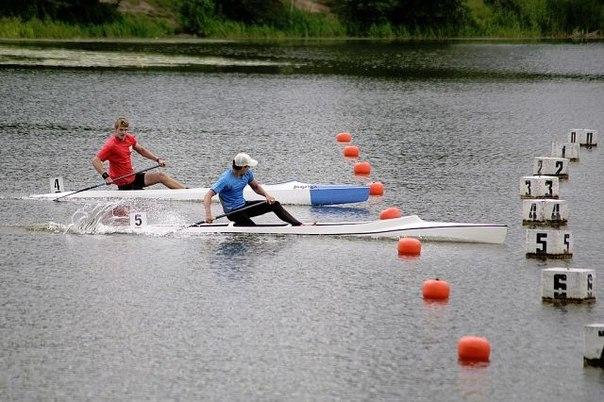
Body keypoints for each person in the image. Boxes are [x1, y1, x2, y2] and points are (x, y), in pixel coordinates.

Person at [203, 153, 303, 226]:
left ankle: (298, 225)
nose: (250, 168)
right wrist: (208, 215)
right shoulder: (225, 179)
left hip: (244, 206)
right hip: (233, 212)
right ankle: (239, 227)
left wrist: (267, 195)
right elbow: (208, 195)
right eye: (248, 166)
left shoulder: (247, 173)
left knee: (274, 204)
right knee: (252, 229)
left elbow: (255, 187)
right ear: (242, 167)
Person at [92, 117, 186, 190]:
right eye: (121, 130)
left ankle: (187, 192)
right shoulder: (111, 145)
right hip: (123, 183)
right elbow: (96, 161)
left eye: (125, 130)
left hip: (133, 176)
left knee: (161, 176)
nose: (123, 133)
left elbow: (141, 150)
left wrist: (157, 159)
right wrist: (106, 176)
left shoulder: (129, 138)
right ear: (115, 130)